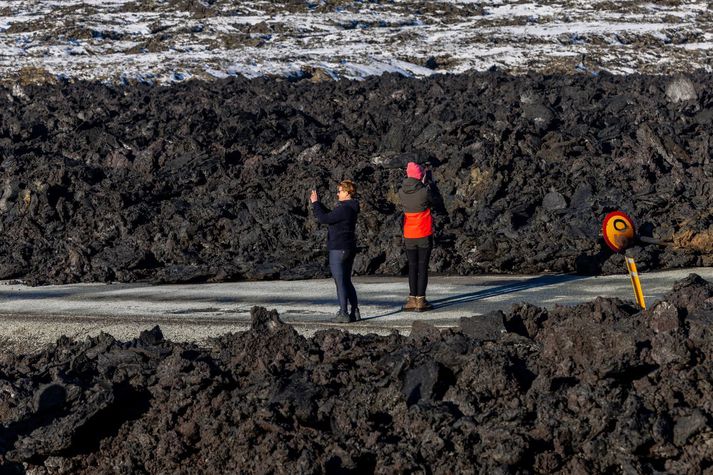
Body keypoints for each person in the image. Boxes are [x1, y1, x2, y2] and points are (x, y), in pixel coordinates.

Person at [310, 180, 361, 323]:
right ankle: (355, 311)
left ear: (347, 192)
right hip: (349, 248)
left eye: (339, 191)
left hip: (338, 248)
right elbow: (332, 216)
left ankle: (343, 313)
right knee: (346, 281)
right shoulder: (351, 207)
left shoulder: (344, 209)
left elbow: (324, 218)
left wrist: (315, 203)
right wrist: (319, 204)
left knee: (340, 282)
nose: (337, 194)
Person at [398, 162, 434, 312]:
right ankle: (421, 300)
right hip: (424, 232)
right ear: (420, 176)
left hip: (409, 234)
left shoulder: (401, 191)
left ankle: (412, 299)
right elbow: (434, 202)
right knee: (422, 266)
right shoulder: (425, 191)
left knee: (412, 266)